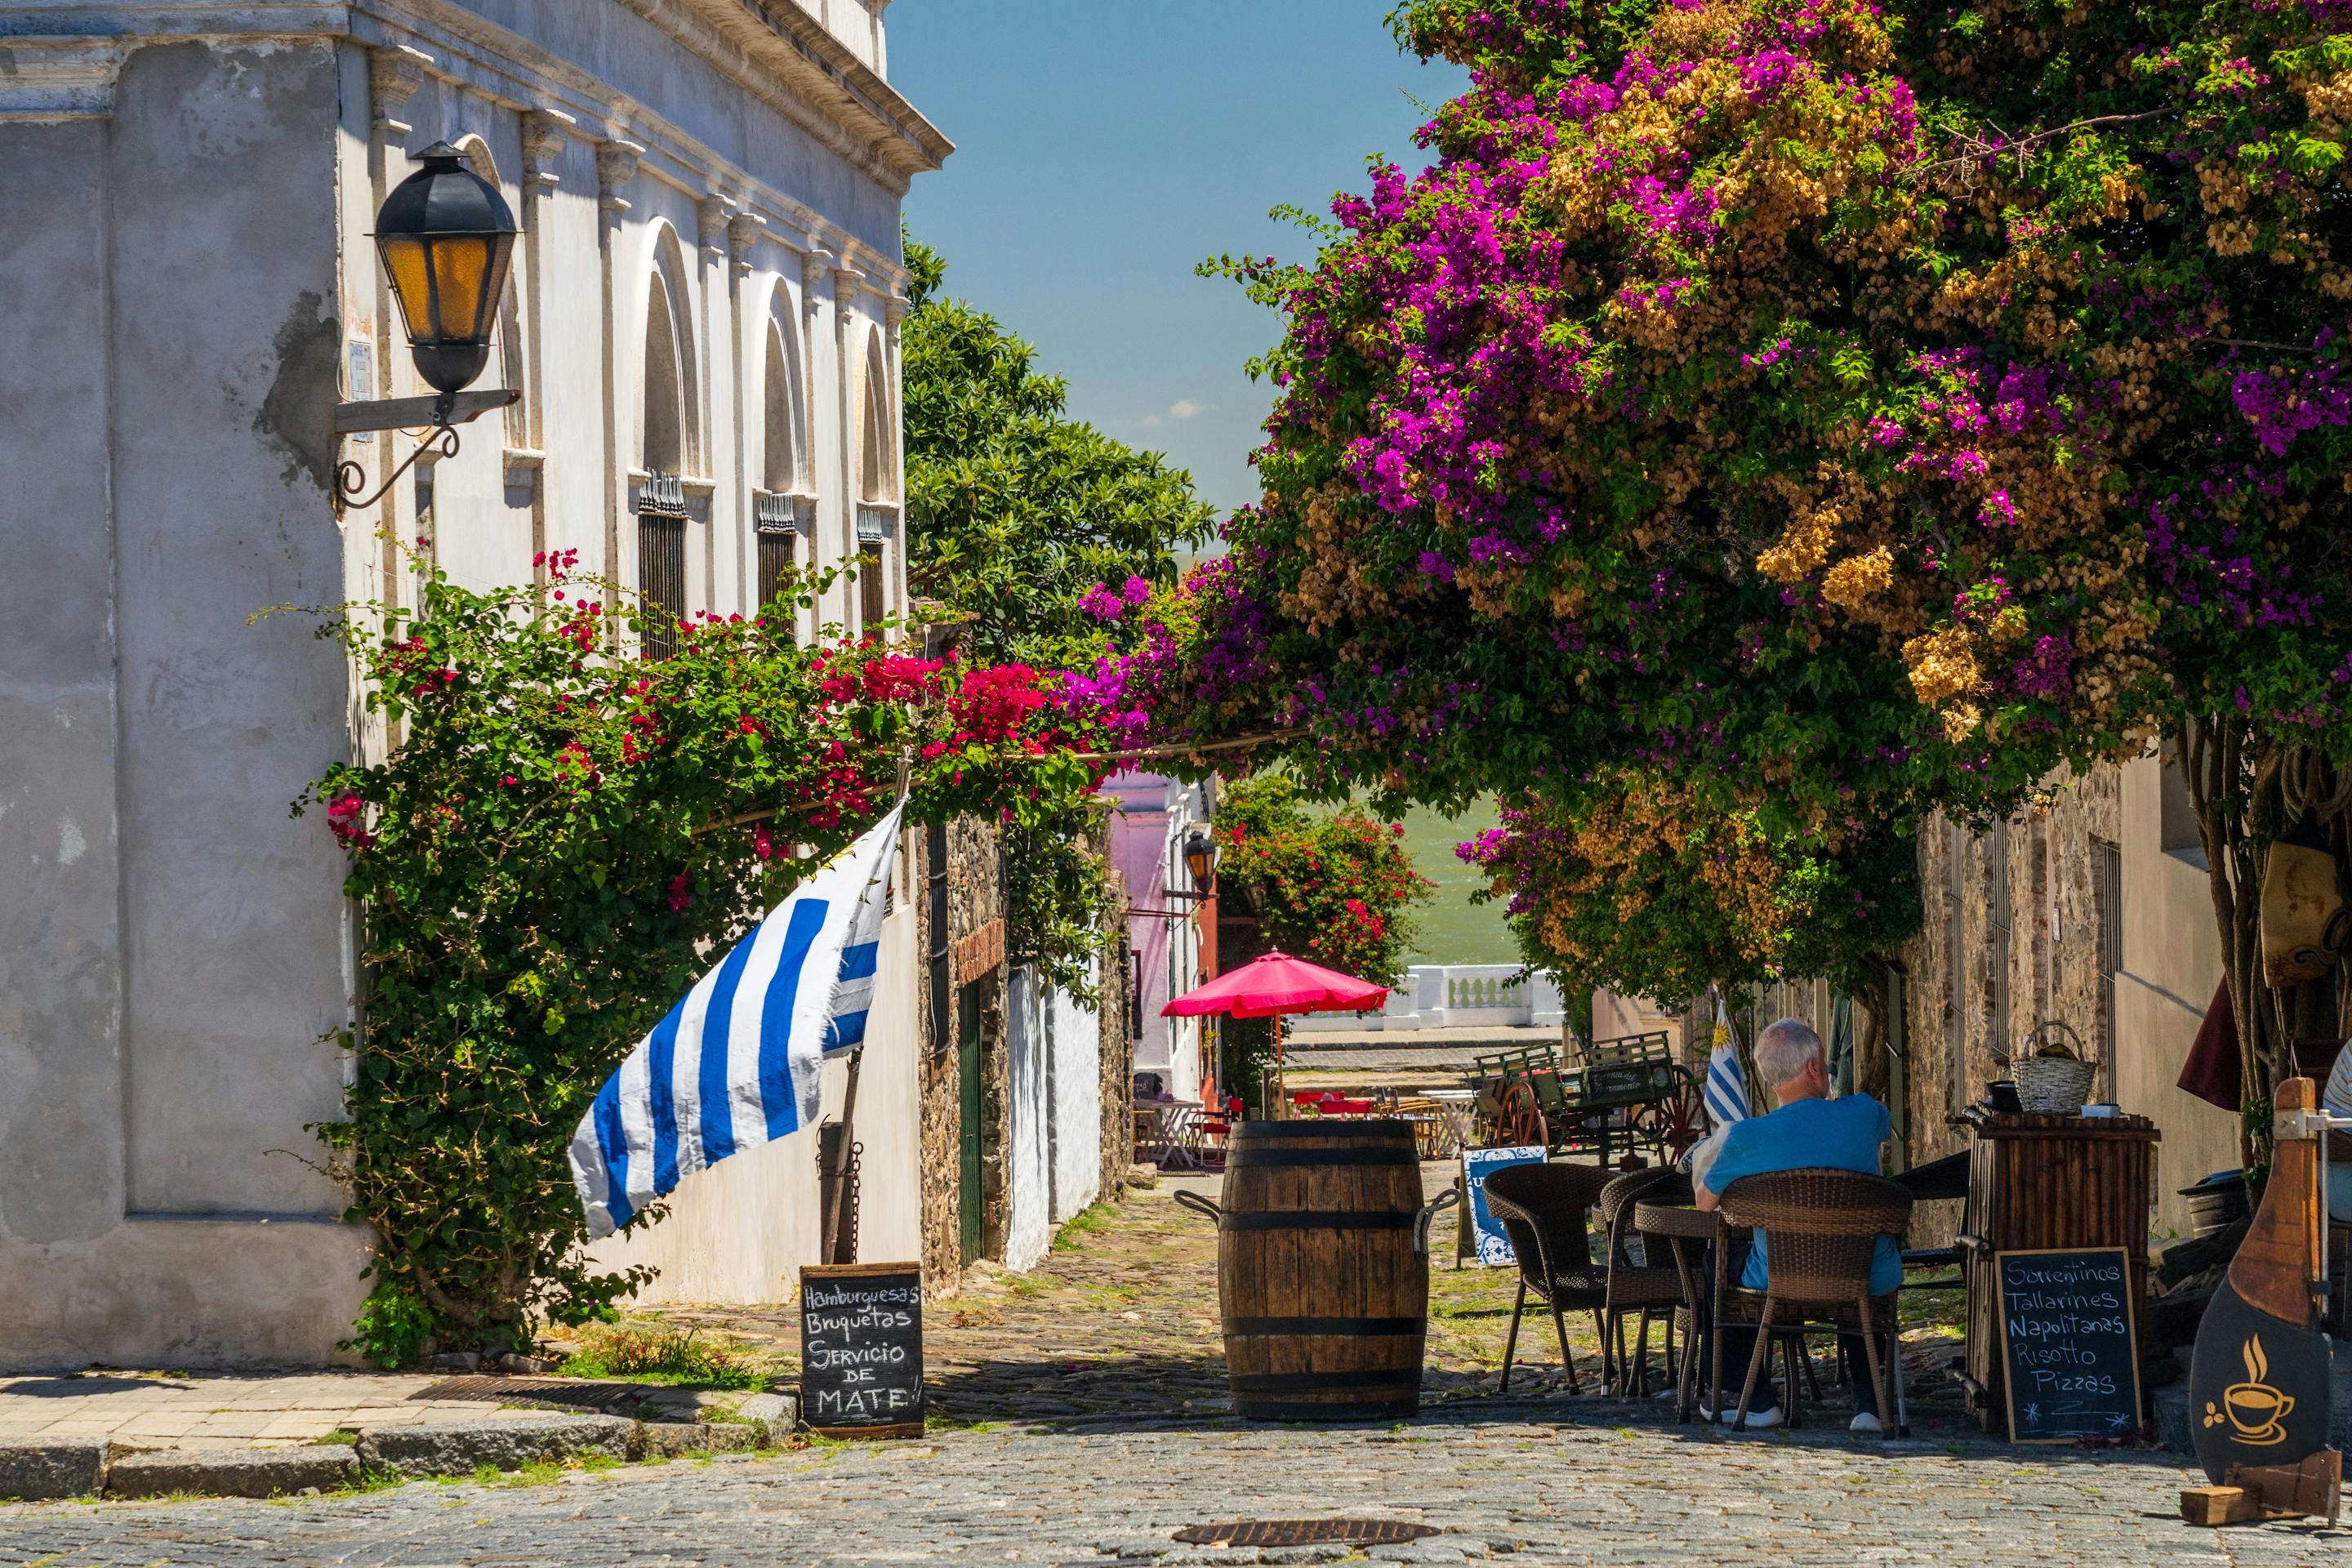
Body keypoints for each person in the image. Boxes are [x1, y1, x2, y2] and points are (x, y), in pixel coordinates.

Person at [1693, 1017, 1902, 1432]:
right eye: (1824, 1061)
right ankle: (1870, 1404)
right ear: (1814, 1068)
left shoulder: (1747, 1137)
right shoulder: (1863, 1114)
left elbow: (1703, 1203)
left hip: (1778, 1276)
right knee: (1855, 1270)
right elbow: (1882, 1123)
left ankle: (1753, 1398)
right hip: (1866, 1274)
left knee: (1716, 1261)